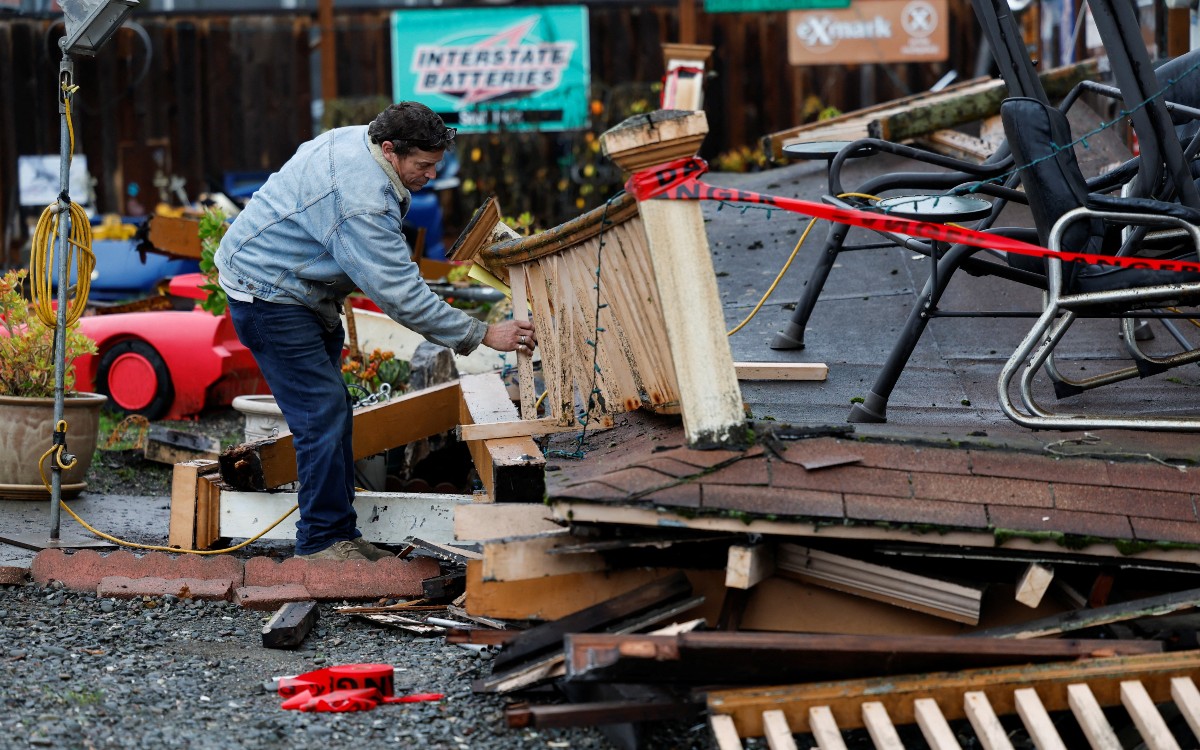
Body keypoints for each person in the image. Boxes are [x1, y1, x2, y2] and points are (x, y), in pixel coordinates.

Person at [215, 102, 536, 561]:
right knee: (321, 413)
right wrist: (482, 334)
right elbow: (401, 296)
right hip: (268, 295)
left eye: (437, 164)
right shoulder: (361, 202)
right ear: (390, 150)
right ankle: (322, 544)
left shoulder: (360, 140)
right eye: (423, 166)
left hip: (298, 288)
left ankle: (338, 532)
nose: (431, 175)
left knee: (332, 409)